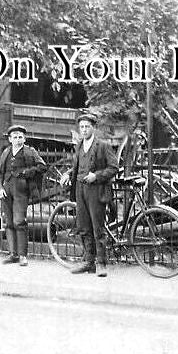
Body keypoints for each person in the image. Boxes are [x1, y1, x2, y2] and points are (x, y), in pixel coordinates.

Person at [58, 114, 119, 277]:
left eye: (87, 127)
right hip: (80, 189)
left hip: (96, 191)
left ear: (94, 128)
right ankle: (88, 262)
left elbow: (113, 167)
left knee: (98, 228)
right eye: (82, 127)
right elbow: (78, 167)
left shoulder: (102, 146)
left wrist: (96, 176)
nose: (84, 130)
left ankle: (101, 263)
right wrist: (69, 174)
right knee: (84, 227)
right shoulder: (79, 146)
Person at [0, 125, 47, 266]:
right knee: (9, 222)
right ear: (10, 139)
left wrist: (26, 173)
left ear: (24, 138)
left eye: (20, 137)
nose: (17, 139)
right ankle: (13, 254)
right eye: (15, 137)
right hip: (6, 191)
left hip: (21, 191)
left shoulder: (30, 152)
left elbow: (42, 166)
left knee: (19, 222)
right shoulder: (6, 152)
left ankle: (23, 255)